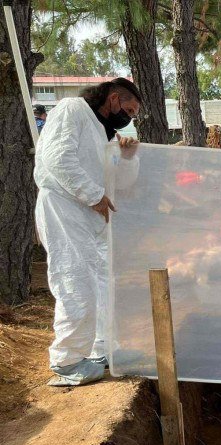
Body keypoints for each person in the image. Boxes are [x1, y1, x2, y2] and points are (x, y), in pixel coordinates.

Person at [34, 78, 142, 386]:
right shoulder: (73, 110)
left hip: (91, 216)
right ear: (113, 99)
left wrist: (127, 158)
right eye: (129, 110)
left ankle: (102, 348)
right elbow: (57, 157)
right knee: (75, 280)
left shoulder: (105, 133)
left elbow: (120, 183)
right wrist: (93, 196)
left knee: (103, 282)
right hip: (65, 208)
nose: (129, 118)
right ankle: (67, 359)